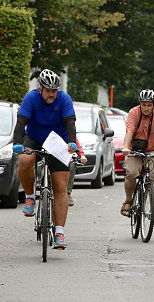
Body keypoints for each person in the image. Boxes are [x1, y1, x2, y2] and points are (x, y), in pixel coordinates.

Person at [12, 69, 78, 250]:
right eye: (48, 90)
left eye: (54, 90)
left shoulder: (64, 99)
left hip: (57, 140)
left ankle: (59, 233)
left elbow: (70, 123)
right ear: (40, 89)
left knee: (60, 188)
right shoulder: (31, 98)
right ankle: (30, 196)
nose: (52, 94)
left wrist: (71, 142)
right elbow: (21, 121)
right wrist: (17, 142)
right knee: (25, 160)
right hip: (35, 137)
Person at [121, 89, 154, 219]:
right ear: (140, 103)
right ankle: (128, 201)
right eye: (143, 105)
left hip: (152, 150)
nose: (146, 108)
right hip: (134, 150)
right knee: (132, 173)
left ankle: (153, 208)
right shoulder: (134, 112)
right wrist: (125, 147)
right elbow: (129, 132)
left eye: (149, 105)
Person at [67, 137, 88, 206]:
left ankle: (67, 193)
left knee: (72, 164)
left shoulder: (68, 130)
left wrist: (82, 155)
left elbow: (75, 143)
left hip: (64, 155)